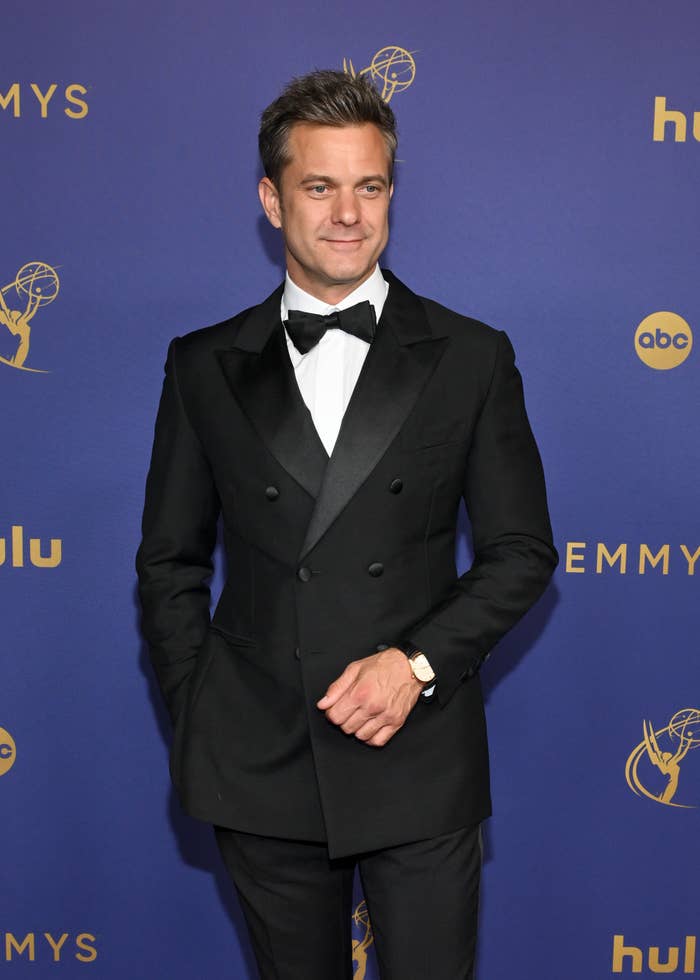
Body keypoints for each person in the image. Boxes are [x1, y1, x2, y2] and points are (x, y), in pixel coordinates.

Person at [136, 69, 557, 980]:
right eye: (318, 186)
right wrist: (206, 712)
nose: (347, 214)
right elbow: (169, 563)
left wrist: (415, 665)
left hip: (418, 750)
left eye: (369, 186)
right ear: (271, 198)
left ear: (391, 194)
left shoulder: (472, 356)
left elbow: (521, 552)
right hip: (261, 752)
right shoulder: (204, 364)